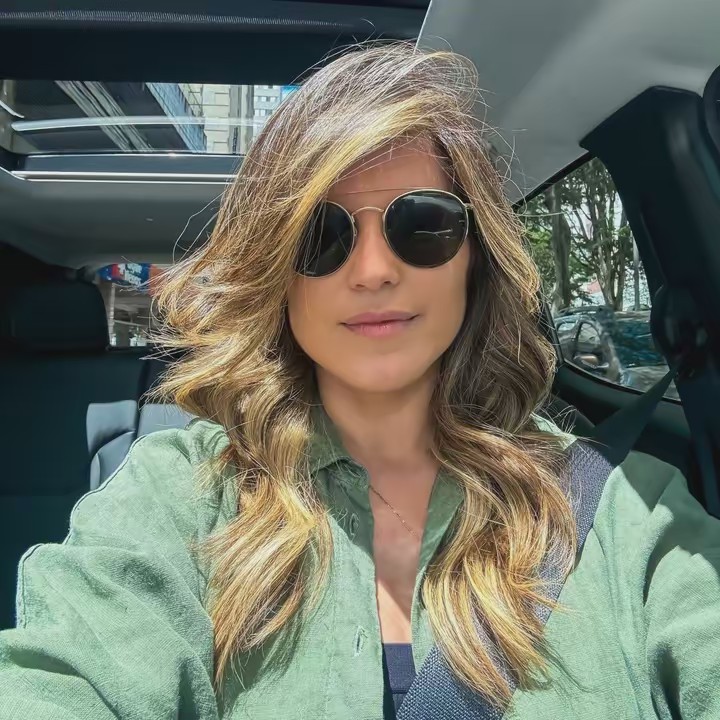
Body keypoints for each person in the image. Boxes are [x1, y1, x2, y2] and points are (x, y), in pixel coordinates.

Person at [1, 44, 718, 720]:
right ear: (276, 276)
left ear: (475, 260)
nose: (373, 270)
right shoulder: (178, 494)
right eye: (321, 235)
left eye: (423, 224)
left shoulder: (626, 510)